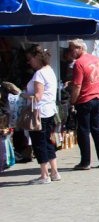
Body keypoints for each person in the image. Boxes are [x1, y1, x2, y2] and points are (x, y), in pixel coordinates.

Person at [67, 39, 99, 170]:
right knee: (96, 130)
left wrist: (73, 101)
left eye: (72, 48)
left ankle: (85, 162)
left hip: (84, 100)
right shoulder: (95, 59)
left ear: (80, 48)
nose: (70, 51)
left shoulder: (79, 64)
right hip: (96, 99)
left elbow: (77, 85)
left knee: (83, 131)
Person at [21, 45, 59, 184]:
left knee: (39, 143)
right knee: (47, 141)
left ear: (37, 58)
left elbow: (37, 96)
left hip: (39, 113)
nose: (28, 62)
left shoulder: (39, 74)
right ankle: (54, 172)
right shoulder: (49, 70)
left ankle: (44, 175)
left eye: (30, 59)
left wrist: (22, 95)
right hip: (49, 111)